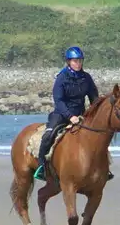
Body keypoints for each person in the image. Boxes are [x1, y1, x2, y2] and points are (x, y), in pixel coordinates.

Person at [35, 46, 97, 181]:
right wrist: (70, 116)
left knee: (98, 136)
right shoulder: (62, 78)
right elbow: (59, 100)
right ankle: (41, 167)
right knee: (47, 136)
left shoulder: (86, 78)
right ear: (69, 62)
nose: (78, 64)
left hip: (81, 115)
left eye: (80, 61)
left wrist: (94, 114)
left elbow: (94, 99)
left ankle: (102, 167)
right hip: (62, 114)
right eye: (75, 61)